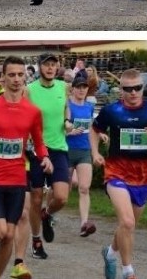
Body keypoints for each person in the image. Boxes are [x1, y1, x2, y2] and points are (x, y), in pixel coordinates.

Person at [0, 56, 53, 279]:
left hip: (17, 178)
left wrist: (45, 157)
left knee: (9, 235)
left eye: (20, 75)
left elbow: (39, 141)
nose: (16, 79)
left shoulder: (33, 112)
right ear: (2, 78)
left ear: (25, 76)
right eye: (11, 75)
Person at [92, 69, 147, 279]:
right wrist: (94, 152)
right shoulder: (112, 110)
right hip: (116, 172)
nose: (133, 92)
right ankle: (128, 271)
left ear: (142, 88)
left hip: (142, 176)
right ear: (121, 90)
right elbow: (94, 129)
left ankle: (110, 253)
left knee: (127, 224)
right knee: (128, 222)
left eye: (137, 88)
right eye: (128, 89)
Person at [27, 52, 70, 259]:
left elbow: (67, 110)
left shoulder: (64, 87)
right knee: (36, 197)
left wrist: (68, 121)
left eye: (54, 64)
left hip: (59, 148)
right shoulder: (30, 90)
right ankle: (36, 241)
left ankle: (47, 214)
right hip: (36, 148)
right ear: (39, 67)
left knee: (61, 197)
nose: (50, 68)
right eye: (46, 65)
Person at [66, 76, 96, 237]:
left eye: (84, 87)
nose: (82, 90)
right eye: (79, 87)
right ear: (73, 88)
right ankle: (49, 212)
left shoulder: (90, 107)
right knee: (64, 191)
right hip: (68, 150)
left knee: (84, 188)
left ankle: (84, 223)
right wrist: (70, 129)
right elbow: (62, 125)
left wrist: (100, 135)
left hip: (84, 150)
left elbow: (91, 126)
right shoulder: (67, 105)